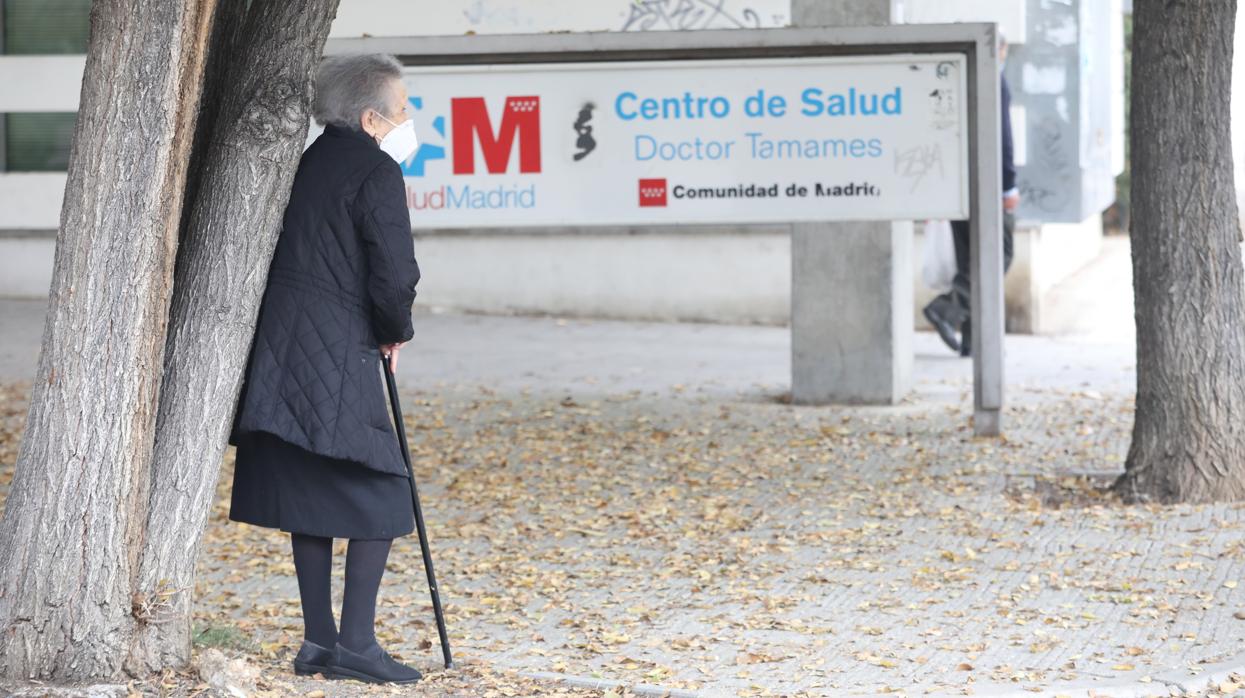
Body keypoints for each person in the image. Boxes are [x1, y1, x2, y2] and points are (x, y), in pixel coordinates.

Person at [227, 53, 423, 684]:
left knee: (308, 490)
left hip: (279, 349)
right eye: (401, 108)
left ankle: (319, 643)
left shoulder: (303, 163)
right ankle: (358, 646)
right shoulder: (377, 170)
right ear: (371, 119)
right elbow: (394, 273)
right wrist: (396, 331)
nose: (408, 116)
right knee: (388, 492)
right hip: (337, 350)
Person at [924, 33, 1018, 357]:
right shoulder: (996, 81)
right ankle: (948, 308)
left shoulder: (957, 83)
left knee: (970, 261)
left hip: (956, 184)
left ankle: (974, 342)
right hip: (988, 185)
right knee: (997, 255)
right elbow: (1003, 136)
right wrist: (1008, 184)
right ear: (1000, 50)